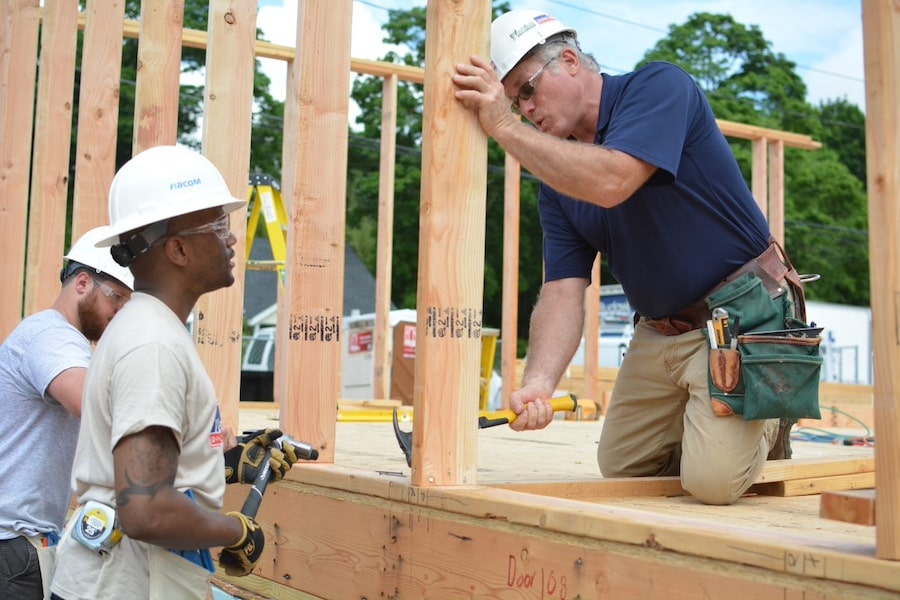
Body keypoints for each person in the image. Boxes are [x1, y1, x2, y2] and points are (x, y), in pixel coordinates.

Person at [453, 9, 809, 505]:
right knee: (622, 467)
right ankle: (721, 425)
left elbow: (613, 179)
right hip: (661, 330)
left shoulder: (659, 87)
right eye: (513, 101)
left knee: (712, 484)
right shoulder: (558, 183)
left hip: (740, 316)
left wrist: (502, 127)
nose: (523, 109)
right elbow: (562, 289)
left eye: (526, 90)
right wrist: (537, 384)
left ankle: (769, 414)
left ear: (570, 62)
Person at [50, 145, 300, 599]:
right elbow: (145, 510)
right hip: (127, 583)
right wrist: (233, 532)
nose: (231, 239)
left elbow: (143, 472)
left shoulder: (147, 329)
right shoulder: (153, 344)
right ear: (179, 249)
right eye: (218, 225)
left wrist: (222, 465)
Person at [0, 226, 134, 599]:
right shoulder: (52, 337)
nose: (120, 312)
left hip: (19, 546)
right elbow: (94, 406)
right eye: (116, 298)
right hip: (11, 548)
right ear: (82, 283)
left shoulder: (61, 342)